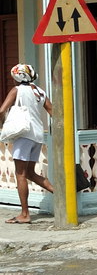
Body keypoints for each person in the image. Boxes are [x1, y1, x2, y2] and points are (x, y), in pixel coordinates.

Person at [0, 64, 54, 224]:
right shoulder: (39, 91)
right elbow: (52, 110)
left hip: (23, 134)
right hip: (37, 135)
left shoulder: (17, 90)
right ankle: (61, 193)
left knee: (20, 174)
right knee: (30, 173)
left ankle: (24, 214)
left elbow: (2, 110)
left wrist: (3, 124)